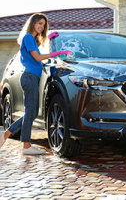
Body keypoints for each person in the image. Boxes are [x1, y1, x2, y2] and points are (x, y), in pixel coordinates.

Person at [0, 13, 72, 155]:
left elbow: (38, 54)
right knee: (30, 113)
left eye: (44, 25)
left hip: (32, 78)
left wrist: (49, 39)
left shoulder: (31, 39)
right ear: (33, 23)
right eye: (39, 23)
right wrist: (57, 52)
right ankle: (26, 146)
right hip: (30, 77)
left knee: (30, 114)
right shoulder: (27, 37)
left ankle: (5, 135)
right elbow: (38, 57)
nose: (42, 26)